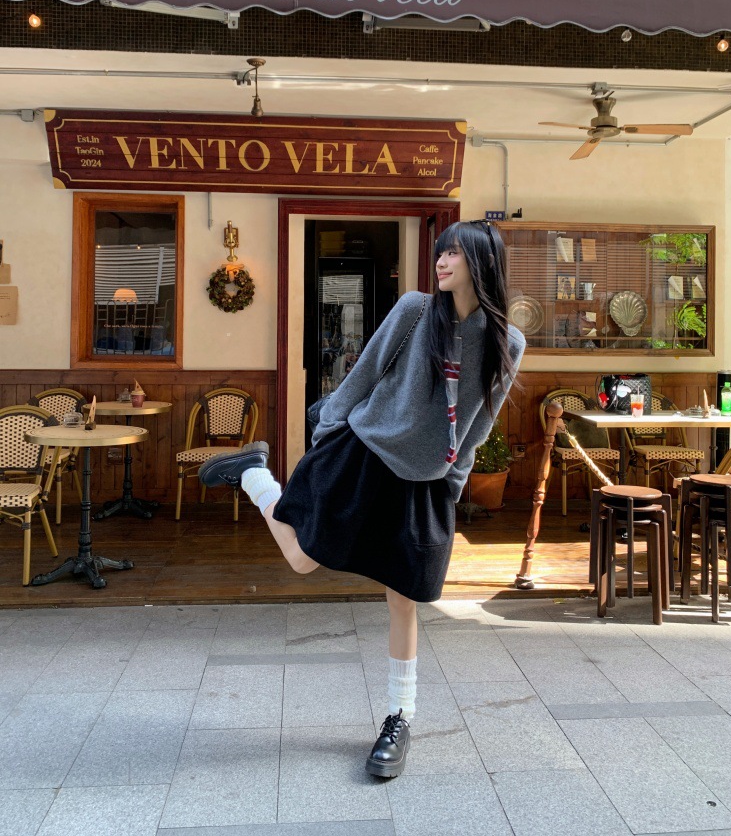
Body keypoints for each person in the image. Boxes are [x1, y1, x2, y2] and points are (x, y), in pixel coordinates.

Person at [198, 220, 525, 778]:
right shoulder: (416, 311)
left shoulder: (506, 342)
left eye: (454, 253)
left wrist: (452, 486)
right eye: (440, 251)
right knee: (303, 559)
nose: (442, 261)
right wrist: (326, 437)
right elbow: (362, 377)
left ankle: (399, 718)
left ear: (483, 262)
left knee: (406, 597)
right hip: (365, 453)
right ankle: (255, 476)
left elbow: (479, 425)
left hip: (425, 482)